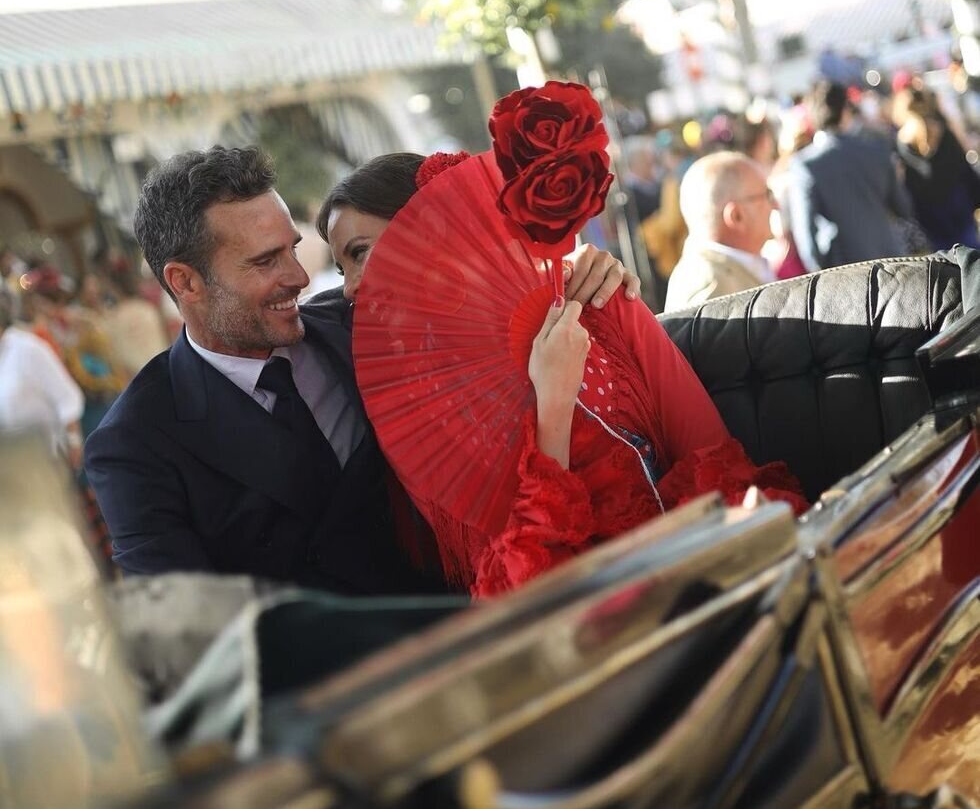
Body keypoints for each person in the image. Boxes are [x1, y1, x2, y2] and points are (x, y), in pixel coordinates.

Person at [85, 146, 641, 592]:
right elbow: (192, 644)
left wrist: (581, 274)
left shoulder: (365, 321)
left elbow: (474, 289)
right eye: (264, 262)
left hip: (490, 615)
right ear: (185, 282)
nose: (300, 279)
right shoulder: (135, 445)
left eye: (292, 250)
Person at [320, 139, 807, 599]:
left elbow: (712, 454)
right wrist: (552, 406)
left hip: (713, 572)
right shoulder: (416, 409)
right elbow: (524, 587)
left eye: (360, 253)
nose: (350, 289)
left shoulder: (595, 298)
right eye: (343, 268)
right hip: (594, 631)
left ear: (433, 225)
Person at [788, 81, 912, 272]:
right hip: (892, 262)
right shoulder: (876, 149)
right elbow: (903, 208)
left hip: (846, 272)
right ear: (845, 111)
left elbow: (807, 240)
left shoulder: (805, 166)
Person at [664, 152, 774, 310]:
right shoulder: (712, 292)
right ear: (736, 216)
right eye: (767, 195)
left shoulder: (725, 271)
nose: (776, 205)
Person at [0, 289, 84, 464]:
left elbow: (66, 397)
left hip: (49, 457)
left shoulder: (27, 348)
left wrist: (74, 443)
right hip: (12, 467)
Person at [893, 84, 980, 249]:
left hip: (928, 211)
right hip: (957, 202)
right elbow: (962, 165)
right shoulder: (943, 129)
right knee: (972, 252)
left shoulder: (900, 141)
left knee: (945, 262)